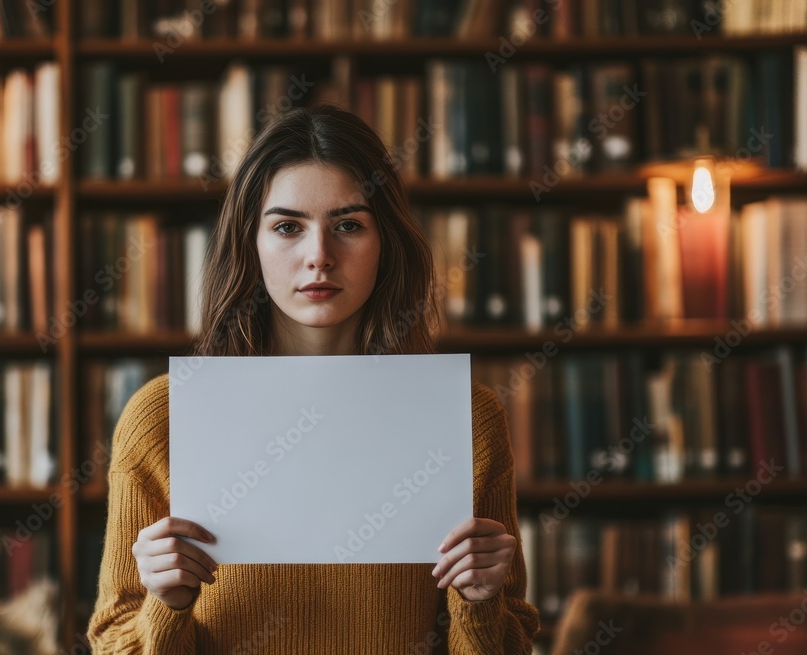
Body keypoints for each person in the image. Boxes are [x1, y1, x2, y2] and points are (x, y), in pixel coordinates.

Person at [86, 103, 541, 653]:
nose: (319, 256)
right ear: (250, 244)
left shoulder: (465, 416)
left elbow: (511, 643)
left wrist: (480, 601)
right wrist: (168, 604)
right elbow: (115, 641)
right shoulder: (163, 417)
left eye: (348, 225)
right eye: (287, 227)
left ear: (386, 243)